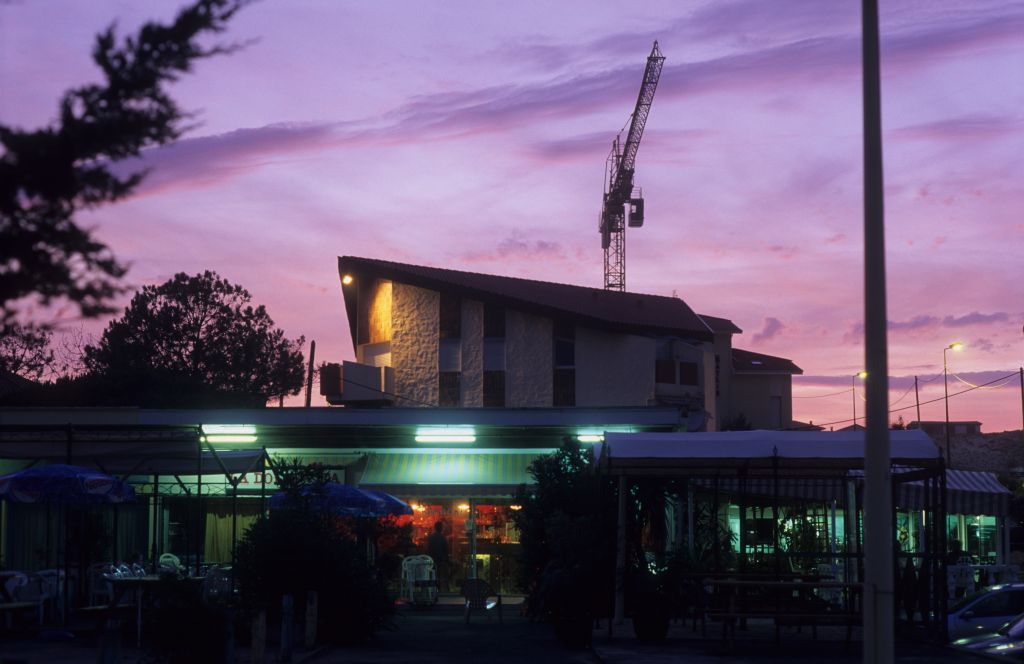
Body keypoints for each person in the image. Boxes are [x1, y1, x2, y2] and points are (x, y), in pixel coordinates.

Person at [428, 520, 449, 592]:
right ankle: (440, 588)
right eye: (443, 527)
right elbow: (446, 550)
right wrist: (447, 560)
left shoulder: (431, 537)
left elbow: (428, 549)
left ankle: (434, 588)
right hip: (441, 560)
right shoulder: (443, 538)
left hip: (432, 559)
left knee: (433, 574)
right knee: (440, 574)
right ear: (441, 528)